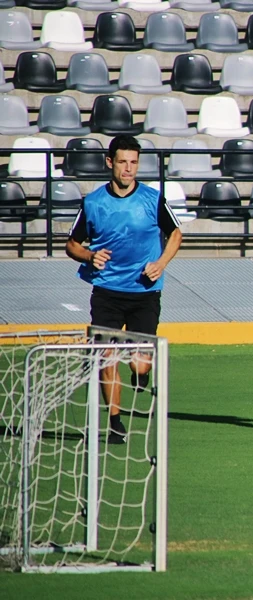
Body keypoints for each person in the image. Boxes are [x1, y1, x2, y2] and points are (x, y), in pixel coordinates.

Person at [65, 135, 182, 444]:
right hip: (107, 292)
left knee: (140, 361)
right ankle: (115, 423)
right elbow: (72, 245)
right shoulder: (93, 203)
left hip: (145, 291)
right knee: (106, 356)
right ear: (110, 163)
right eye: (122, 162)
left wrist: (161, 263)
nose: (128, 169)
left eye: (133, 162)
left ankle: (141, 373)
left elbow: (176, 234)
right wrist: (90, 256)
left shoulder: (152, 199)